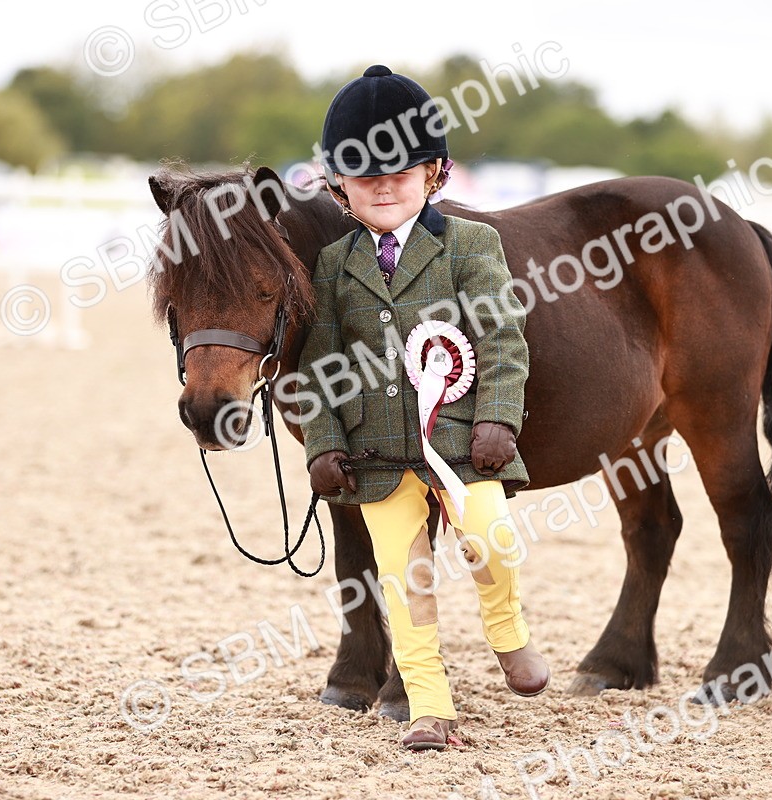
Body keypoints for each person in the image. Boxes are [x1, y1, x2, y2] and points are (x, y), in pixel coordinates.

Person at [297, 65, 549, 752]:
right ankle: (431, 709)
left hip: (463, 444)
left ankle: (508, 634)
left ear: (434, 175)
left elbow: (501, 336)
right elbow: (317, 367)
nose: (383, 186)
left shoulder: (471, 246)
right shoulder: (330, 266)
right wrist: (323, 444)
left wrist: (498, 415)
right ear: (336, 184)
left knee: (492, 537)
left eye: (401, 174)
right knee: (403, 582)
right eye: (365, 175)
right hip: (377, 457)